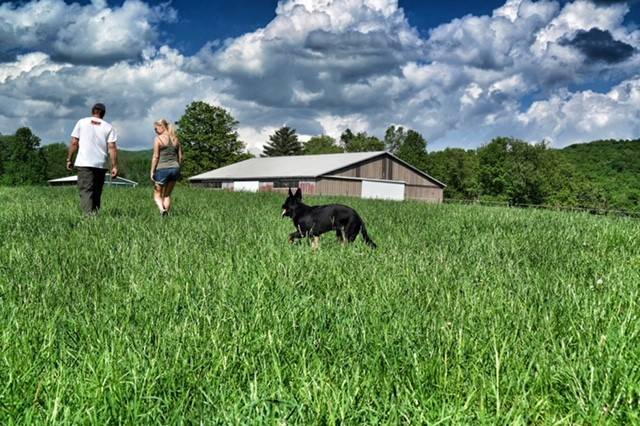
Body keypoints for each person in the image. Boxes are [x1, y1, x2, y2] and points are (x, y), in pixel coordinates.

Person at [66, 103, 118, 215]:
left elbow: (74, 142)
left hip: (84, 162)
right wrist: (114, 166)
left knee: (86, 191)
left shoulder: (82, 122)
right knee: (96, 192)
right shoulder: (109, 127)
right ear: (103, 114)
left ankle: (88, 218)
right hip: (100, 164)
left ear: (92, 111)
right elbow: (112, 147)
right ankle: (95, 216)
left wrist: (69, 159)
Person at [150, 119, 183, 216]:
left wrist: (152, 171)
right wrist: (178, 168)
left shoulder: (158, 139)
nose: (155, 131)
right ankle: (166, 217)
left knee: (157, 195)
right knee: (167, 195)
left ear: (161, 127)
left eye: (156, 129)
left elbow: (155, 157)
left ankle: (162, 210)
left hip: (162, 169)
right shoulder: (176, 138)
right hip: (175, 168)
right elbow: (181, 157)